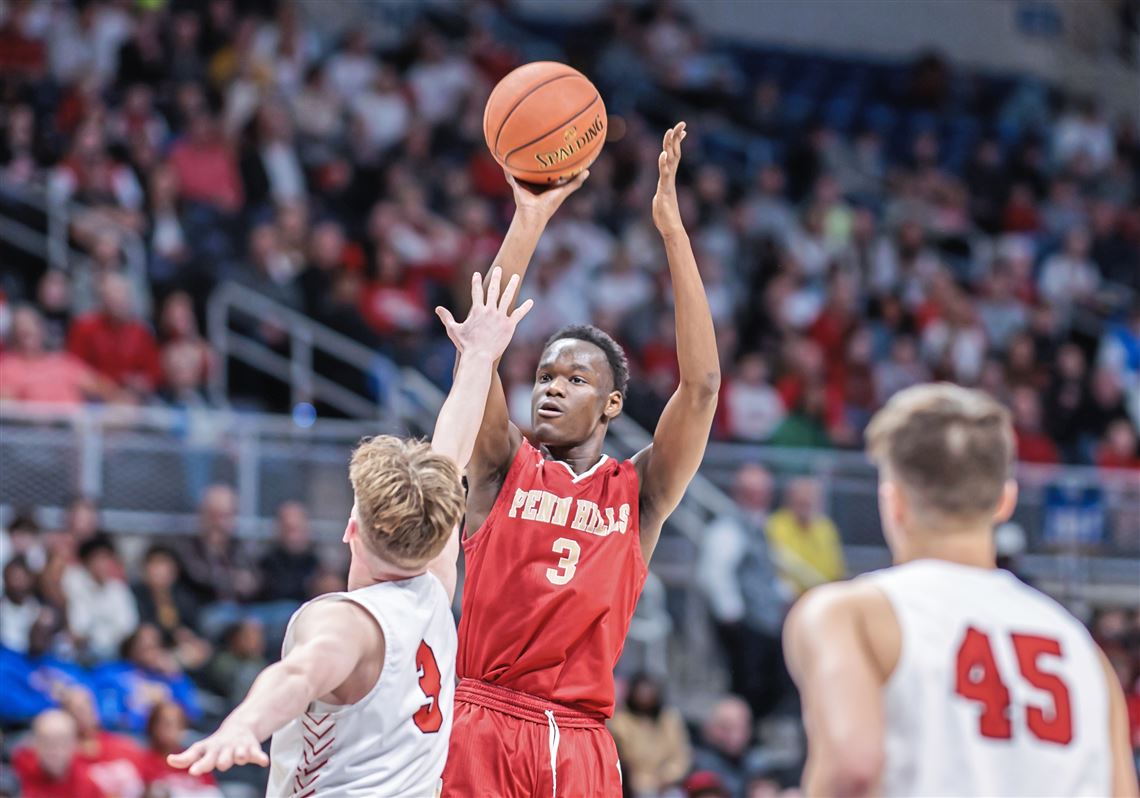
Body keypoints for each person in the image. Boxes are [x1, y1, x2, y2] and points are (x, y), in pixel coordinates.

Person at [167, 268, 532, 796]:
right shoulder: (433, 587)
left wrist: (244, 724)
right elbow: (450, 455)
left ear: (350, 528)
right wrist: (479, 358)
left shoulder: (347, 622)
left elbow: (298, 676)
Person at [443, 123, 720, 797]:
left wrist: (672, 234)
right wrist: (529, 218)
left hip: (583, 739)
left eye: (573, 379)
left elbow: (702, 387)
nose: (550, 388)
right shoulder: (502, 463)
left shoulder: (640, 493)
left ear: (612, 405)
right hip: (479, 716)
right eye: (543, 375)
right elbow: (480, 347)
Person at [783, 384, 1139, 796]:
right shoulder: (1083, 651)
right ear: (1005, 501)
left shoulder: (849, 613)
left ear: (893, 501)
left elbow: (853, 768)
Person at [697, 463, 790, 718]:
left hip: (765, 622)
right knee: (747, 685)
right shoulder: (728, 528)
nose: (763, 497)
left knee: (773, 684)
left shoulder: (760, 527)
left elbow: (766, 571)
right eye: (755, 491)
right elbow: (714, 572)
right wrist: (732, 613)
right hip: (744, 623)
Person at [607, 673, 691, 796]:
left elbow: (681, 755)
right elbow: (624, 758)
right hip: (635, 784)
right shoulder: (620, 722)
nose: (645, 696)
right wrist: (640, 781)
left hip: (667, 783)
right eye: (641, 691)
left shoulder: (670, 719)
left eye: (648, 691)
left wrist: (667, 777)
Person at [765, 478, 845, 598]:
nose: (806, 508)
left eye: (810, 503)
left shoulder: (825, 527)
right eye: (801, 503)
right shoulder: (776, 525)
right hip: (788, 598)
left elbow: (835, 569)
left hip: (822, 594)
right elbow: (783, 566)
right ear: (790, 501)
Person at [11, 710, 103, 798]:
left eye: (62, 742)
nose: (54, 750)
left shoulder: (87, 783)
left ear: (74, 745)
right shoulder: (19, 773)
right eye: (47, 742)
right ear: (35, 744)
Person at [136, 702, 222, 797]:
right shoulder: (141, 761)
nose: (173, 730)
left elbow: (213, 793)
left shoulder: (192, 760)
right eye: (167, 724)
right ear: (153, 726)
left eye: (179, 724)